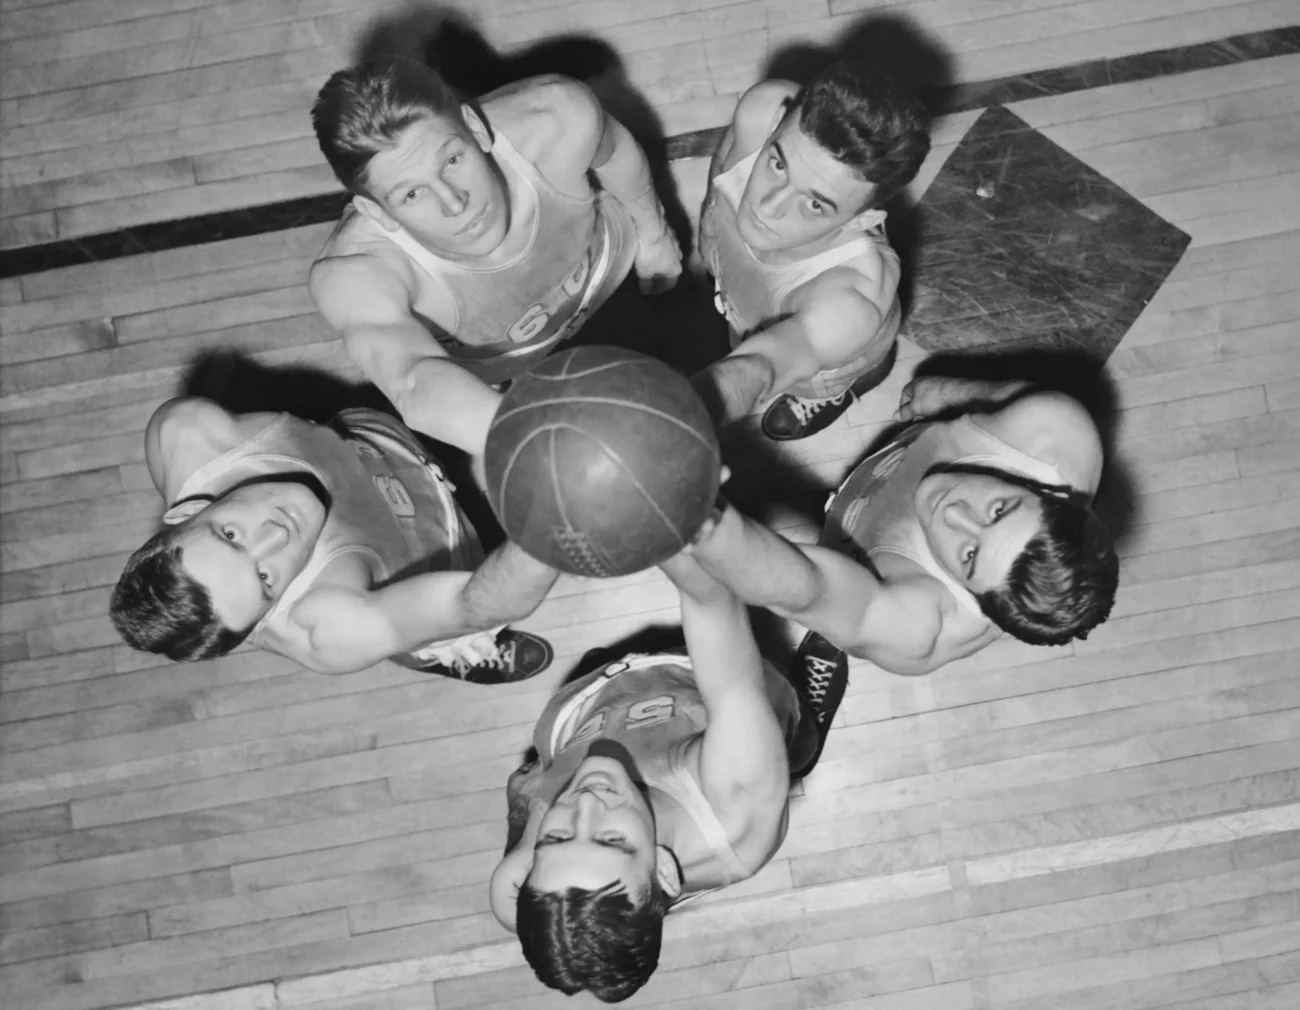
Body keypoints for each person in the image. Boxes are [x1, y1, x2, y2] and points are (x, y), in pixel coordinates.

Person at [487, 550, 831, 1002]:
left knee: (598, 665)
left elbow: (514, 895)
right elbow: (712, 603)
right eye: (612, 840)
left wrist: (529, 805)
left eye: (554, 840)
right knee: (785, 733)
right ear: (663, 868)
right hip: (694, 683)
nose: (585, 803)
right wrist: (671, 527)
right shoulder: (737, 803)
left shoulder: (527, 894)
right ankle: (807, 722)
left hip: (596, 700)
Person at [309, 56, 682, 461]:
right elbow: (414, 381)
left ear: (474, 127)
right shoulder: (354, 274)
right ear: (377, 212)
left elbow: (614, 153)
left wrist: (655, 233)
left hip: (610, 275)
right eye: (412, 194)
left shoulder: (555, 117)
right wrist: (531, 445)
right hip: (499, 367)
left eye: (452, 160)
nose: (456, 204)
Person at [687, 376, 1120, 697]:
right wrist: (944, 392)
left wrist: (703, 523)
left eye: (969, 555)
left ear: (973, 595)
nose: (953, 513)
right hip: (885, 476)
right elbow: (1004, 395)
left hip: (858, 560)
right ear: (1048, 492)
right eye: (1000, 509)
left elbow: (807, 590)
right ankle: (848, 377)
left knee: (840, 619)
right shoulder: (1057, 430)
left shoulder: (918, 625)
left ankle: (821, 668)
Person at [109, 397, 559, 680]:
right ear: (268, 614)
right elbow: (473, 603)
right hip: (436, 556)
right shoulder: (327, 629)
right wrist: (570, 500)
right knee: (449, 628)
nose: (276, 534)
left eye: (230, 534)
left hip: (380, 448)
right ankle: (466, 655)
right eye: (266, 577)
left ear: (187, 511)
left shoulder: (188, 431)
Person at [692, 61, 930, 442]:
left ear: (861, 221)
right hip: (747, 297)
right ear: (776, 124)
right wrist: (709, 229)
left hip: (830, 357)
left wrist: (676, 414)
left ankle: (846, 387)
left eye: (815, 204)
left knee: (815, 378)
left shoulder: (851, 304)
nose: (767, 206)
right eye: (777, 164)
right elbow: (723, 171)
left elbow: (767, 363)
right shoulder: (762, 110)